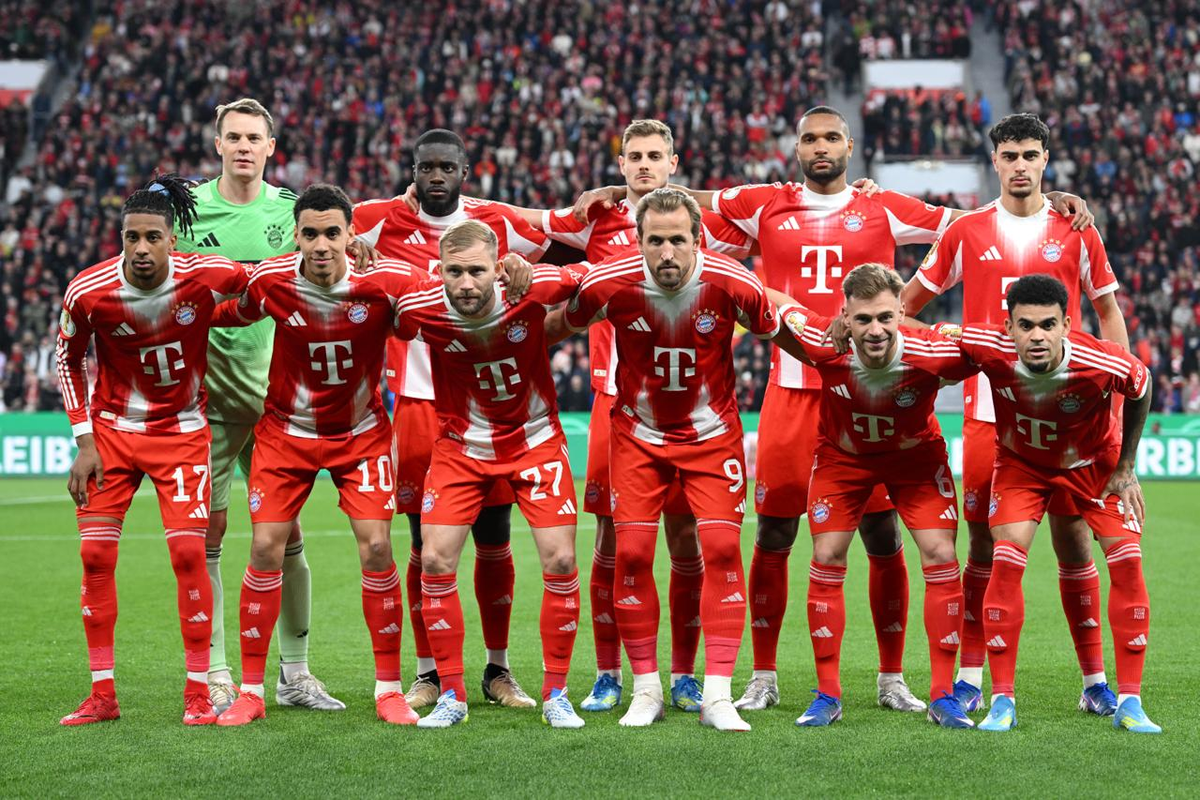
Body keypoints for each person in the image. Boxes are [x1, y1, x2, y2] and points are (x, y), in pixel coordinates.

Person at [509, 119, 752, 712]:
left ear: (674, 162)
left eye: (654, 156)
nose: (644, 165)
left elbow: (757, 245)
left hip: (690, 407)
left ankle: (686, 673)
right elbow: (520, 228)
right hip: (612, 401)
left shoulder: (703, 229)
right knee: (615, 542)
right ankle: (610, 673)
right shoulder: (594, 218)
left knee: (688, 539)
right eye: (633, 157)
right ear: (620, 165)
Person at [903, 112, 1129, 715]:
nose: (1022, 165)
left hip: (1071, 412)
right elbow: (907, 305)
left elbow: (1108, 313)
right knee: (985, 544)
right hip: (987, 411)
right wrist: (947, 350)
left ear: (1045, 160)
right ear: (995, 161)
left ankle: (1094, 682)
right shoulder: (968, 231)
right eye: (1011, 155)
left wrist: (1115, 383)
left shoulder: (1077, 227)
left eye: (1032, 154)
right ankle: (973, 676)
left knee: (1074, 540)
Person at [559, 188, 782, 732]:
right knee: (631, 554)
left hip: (713, 438)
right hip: (637, 438)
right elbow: (555, 320)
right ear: (638, 242)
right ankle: (646, 690)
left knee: (722, 549)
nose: (666, 252)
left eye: (677, 240)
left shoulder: (735, 282)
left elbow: (785, 335)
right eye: (654, 240)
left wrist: (840, 352)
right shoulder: (611, 283)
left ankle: (718, 695)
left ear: (697, 239)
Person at [212, 184, 424, 727]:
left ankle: (387, 690)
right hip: (286, 435)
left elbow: (446, 295)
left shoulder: (387, 283)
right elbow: (226, 308)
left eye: (334, 232)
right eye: (311, 233)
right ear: (297, 237)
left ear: (352, 235)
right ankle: (254, 692)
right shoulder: (273, 279)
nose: (323, 244)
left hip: (361, 434)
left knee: (377, 547)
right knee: (264, 546)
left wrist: (512, 268)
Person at [353, 129, 550, 709]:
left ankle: (497, 670)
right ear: (412, 172)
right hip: (417, 402)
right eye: (425, 168)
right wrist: (351, 250)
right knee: (423, 544)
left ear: (465, 171)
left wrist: (522, 263)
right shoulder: (379, 219)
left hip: (489, 407)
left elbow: (563, 233)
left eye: (446, 168)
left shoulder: (497, 223)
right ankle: (428, 673)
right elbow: (317, 225)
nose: (435, 177)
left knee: (495, 536)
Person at [56, 175, 249, 726]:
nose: (141, 249)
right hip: (112, 436)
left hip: (182, 432)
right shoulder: (88, 290)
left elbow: (261, 282)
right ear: (121, 238)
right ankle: (102, 695)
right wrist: (84, 439)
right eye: (131, 237)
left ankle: (196, 695)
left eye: (152, 238)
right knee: (94, 558)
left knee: (190, 557)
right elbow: (67, 358)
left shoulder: (206, 277)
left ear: (172, 239)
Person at [175, 98, 337, 713]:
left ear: (272, 147)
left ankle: (294, 675)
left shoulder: (293, 214)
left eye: (254, 138)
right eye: (233, 137)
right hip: (210, 402)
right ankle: (217, 671)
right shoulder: (187, 212)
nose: (243, 147)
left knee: (286, 534)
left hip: (275, 402)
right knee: (207, 536)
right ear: (218, 143)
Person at [392, 220, 585, 729]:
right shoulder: (420, 305)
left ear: (498, 268)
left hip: (535, 440)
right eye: (454, 272)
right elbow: (382, 312)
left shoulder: (533, 290)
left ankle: (556, 693)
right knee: (433, 560)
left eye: (477, 271)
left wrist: (536, 268)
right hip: (459, 447)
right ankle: (451, 693)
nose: (466, 284)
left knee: (562, 557)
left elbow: (588, 282)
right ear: (441, 271)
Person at [947, 274, 1159, 734]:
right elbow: (928, 343)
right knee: (1006, 558)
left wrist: (1126, 466)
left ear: (1066, 324)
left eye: (1047, 325)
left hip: (1094, 467)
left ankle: (1130, 700)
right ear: (1008, 327)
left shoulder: (1101, 360)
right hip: (1022, 467)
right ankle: (1002, 700)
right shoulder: (987, 348)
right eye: (1025, 325)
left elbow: (1142, 386)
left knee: (1126, 561)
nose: (1036, 336)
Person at [770, 264, 978, 729]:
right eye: (863, 319)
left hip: (915, 461)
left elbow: (996, 356)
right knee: (826, 553)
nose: (876, 329)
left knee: (941, 552)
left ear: (903, 312)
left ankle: (943, 695)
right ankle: (828, 693)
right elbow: (768, 307)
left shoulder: (934, 351)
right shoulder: (823, 344)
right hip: (843, 461)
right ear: (844, 317)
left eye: (886, 317)